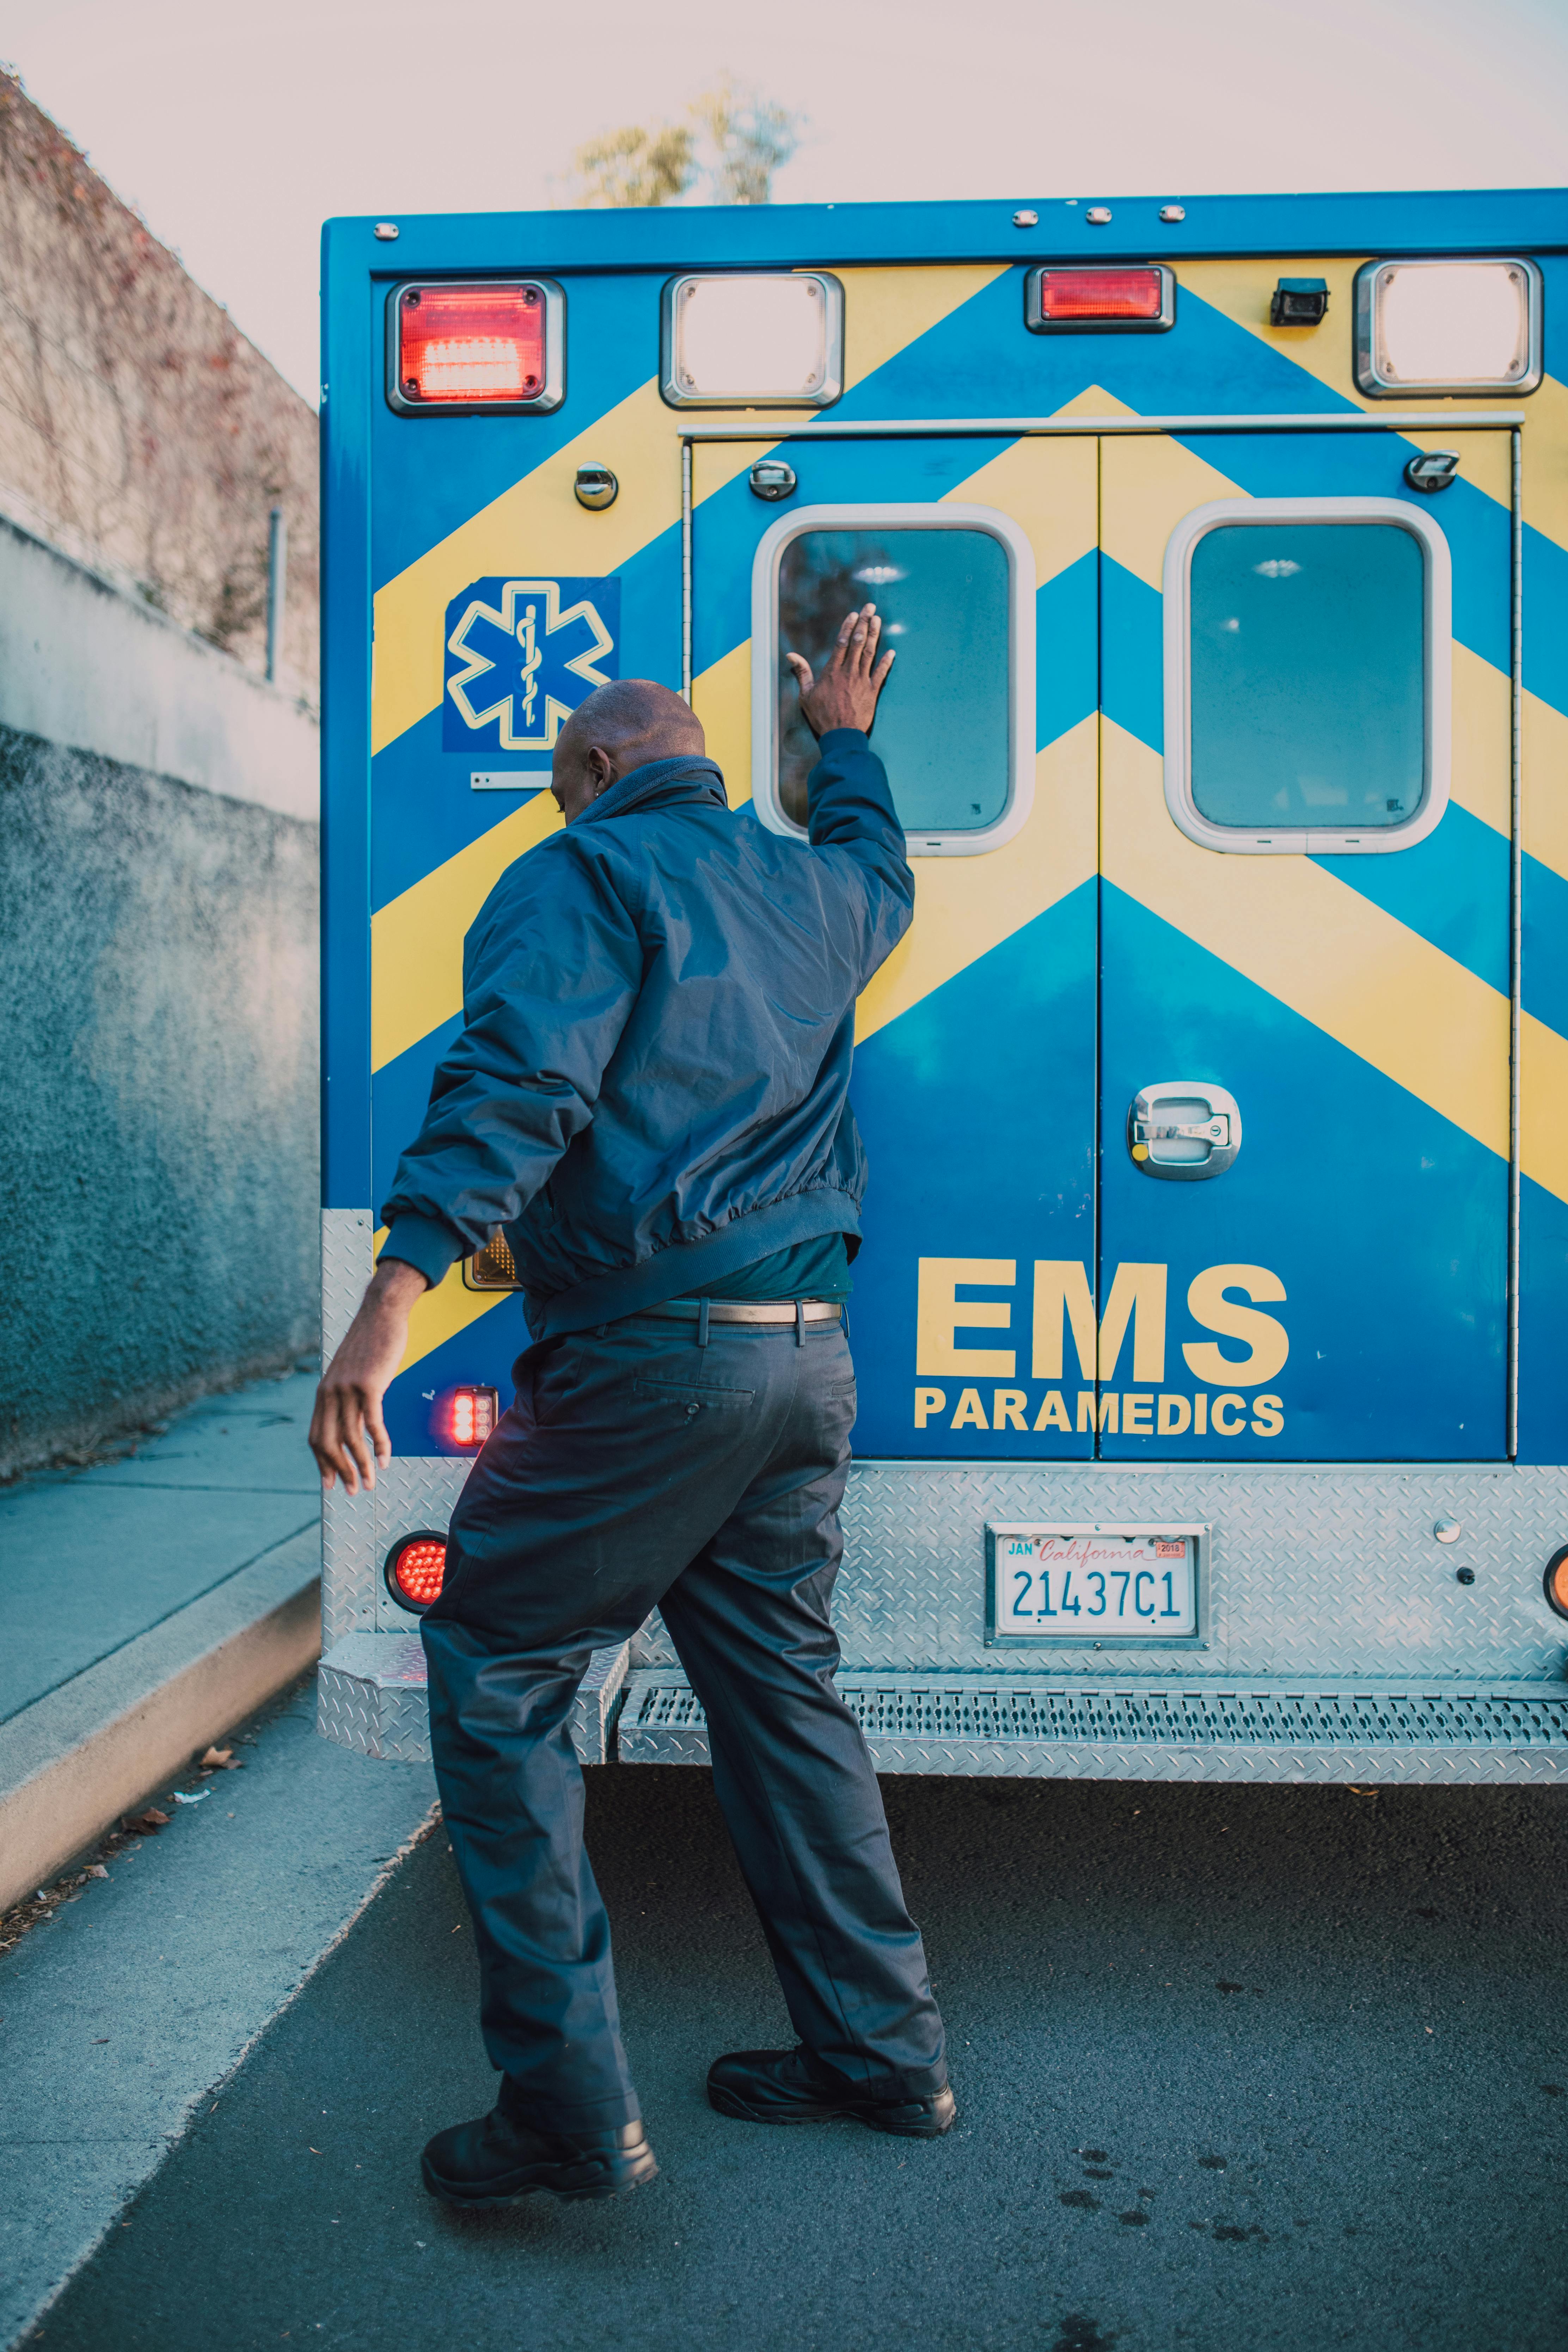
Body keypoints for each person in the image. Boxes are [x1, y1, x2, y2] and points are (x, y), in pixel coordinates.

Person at [309, 604, 953, 2210]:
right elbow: (883, 868)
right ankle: (885, 2058)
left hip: (651, 1364)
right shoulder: (814, 887)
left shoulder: (580, 874)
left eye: (556, 785)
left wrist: (386, 1309)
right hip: (807, 1362)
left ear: (593, 770)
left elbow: (518, 1085)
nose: (555, 807)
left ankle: (563, 2112)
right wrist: (846, 740)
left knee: (497, 1661)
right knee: (782, 1700)